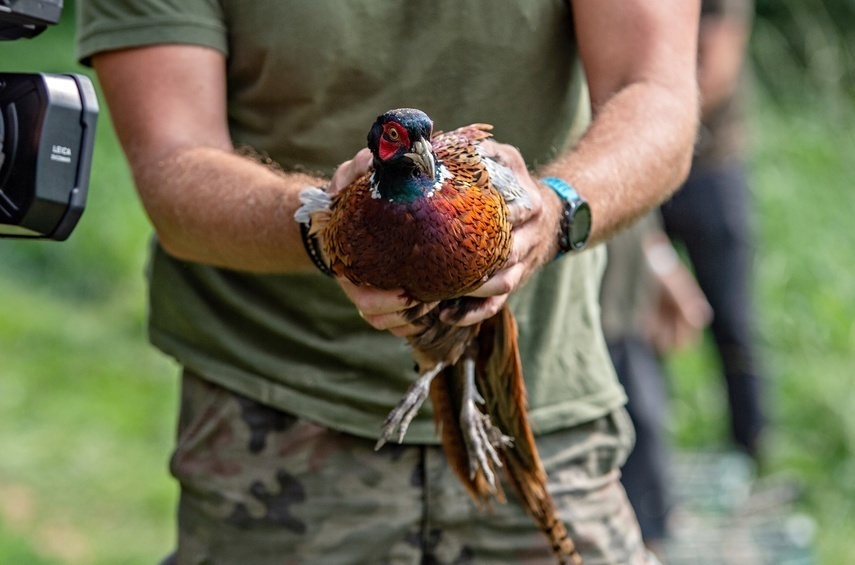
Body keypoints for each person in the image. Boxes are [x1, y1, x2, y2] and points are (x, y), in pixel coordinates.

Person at [77, 1, 700, 563]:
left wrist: (553, 212)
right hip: (277, 419)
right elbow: (171, 161)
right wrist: (332, 226)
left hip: (533, 407)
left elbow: (656, 92)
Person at [660, 0, 766, 458]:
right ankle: (652, 456)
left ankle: (751, 445)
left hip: (709, 173)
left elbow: (717, 70)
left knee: (731, 318)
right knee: (639, 318)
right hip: (652, 175)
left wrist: (645, 133)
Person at [600, 214, 712, 557]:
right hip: (589, 324)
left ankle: (650, 542)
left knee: (645, 425)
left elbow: (637, 201)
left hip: (626, 316)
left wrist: (664, 267)